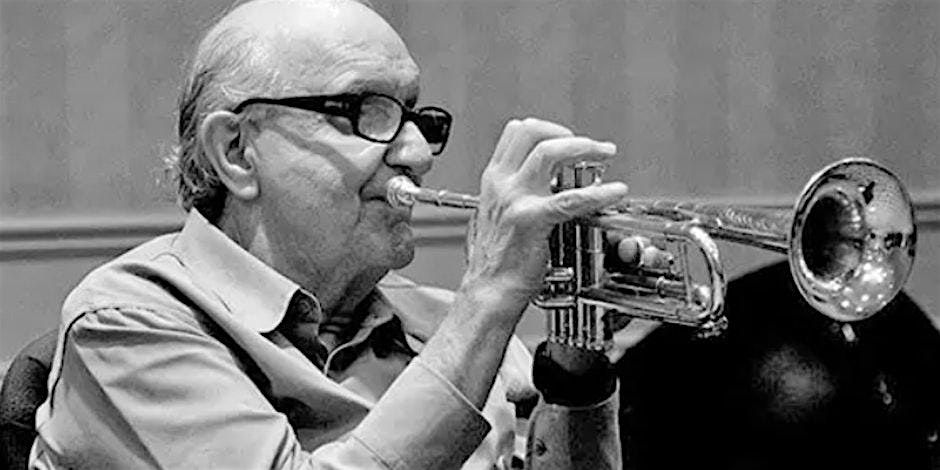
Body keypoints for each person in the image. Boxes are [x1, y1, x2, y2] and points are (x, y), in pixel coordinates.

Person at [28, 0, 661, 468]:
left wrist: (576, 366)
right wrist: (490, 297)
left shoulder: (445, 325)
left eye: (414, 116)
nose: (417, 153)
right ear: (237, 152)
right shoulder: (129, 323)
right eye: (365, 112)